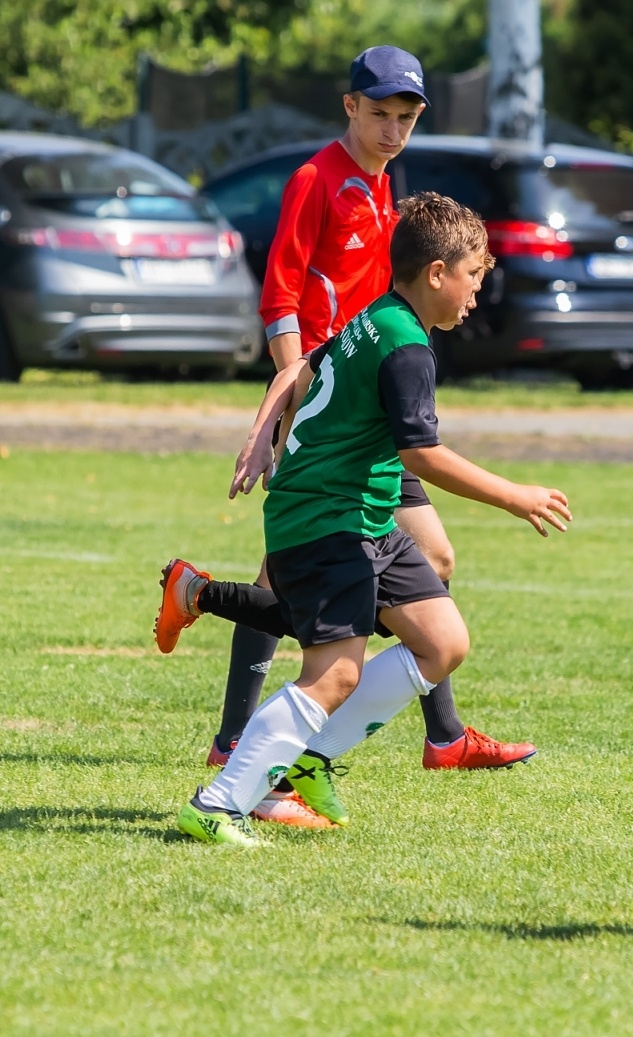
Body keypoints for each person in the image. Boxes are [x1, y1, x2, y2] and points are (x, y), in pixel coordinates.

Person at [164, 193, 570, 846]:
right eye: (472, 276)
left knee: (442, 642)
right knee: (335, 674)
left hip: (363, 520)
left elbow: (303, 371)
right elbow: (421, 454)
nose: (475, 293)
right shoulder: (406, 347)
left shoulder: (374, 317)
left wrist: (267, 423)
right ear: (436, 273)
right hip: (326, 521)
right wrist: (513, 495)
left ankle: (307, 758)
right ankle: (219, 802)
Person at [209, 45, 537, 799]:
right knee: (300, 568)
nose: (392, 130)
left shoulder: (386, 189)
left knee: (423, 563)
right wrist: (278, 409)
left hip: (364, 402)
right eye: (380, 113)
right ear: (349, 106)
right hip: (328, 406)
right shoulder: (315, 179)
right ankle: (241, 742)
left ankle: (440, 735)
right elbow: (282, 297)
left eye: (406, 117)